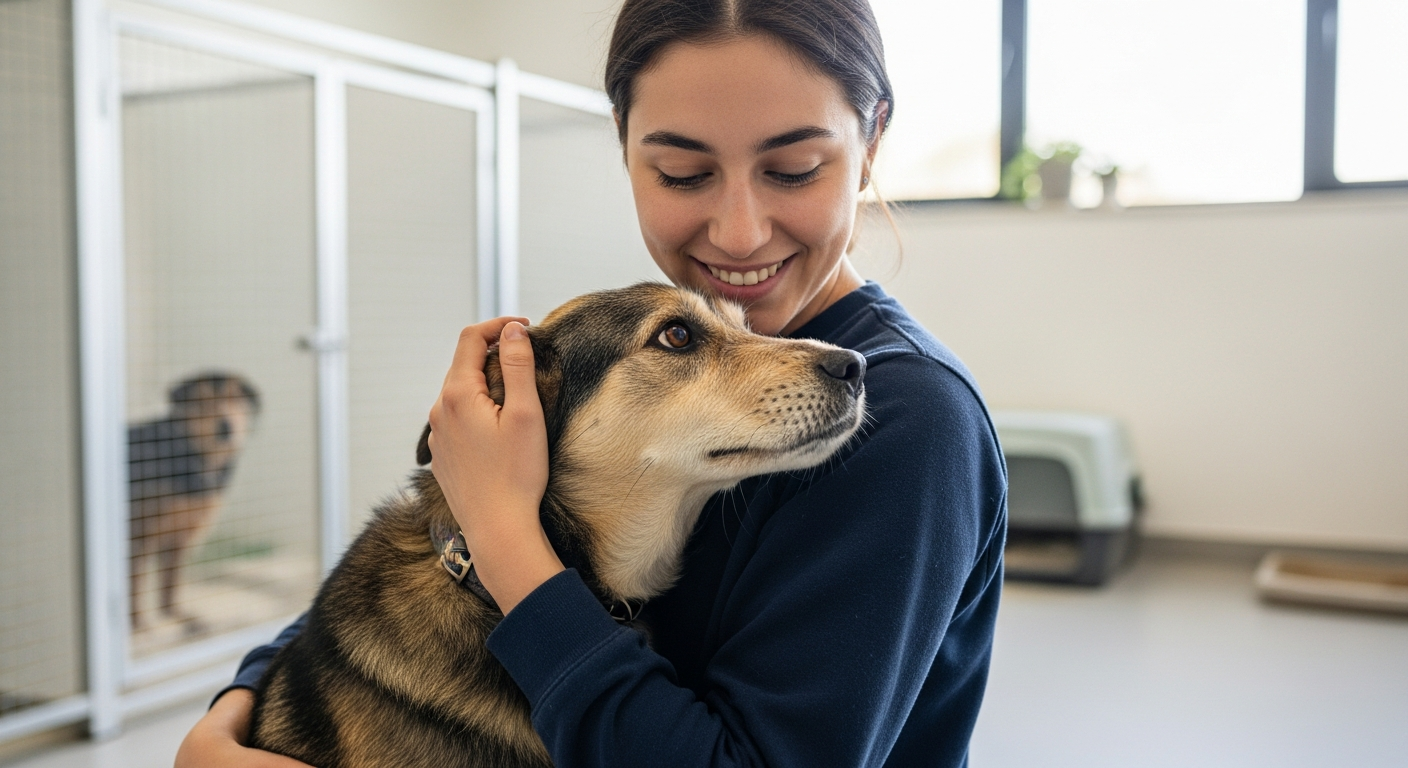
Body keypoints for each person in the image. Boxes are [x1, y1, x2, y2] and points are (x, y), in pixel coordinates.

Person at [175, 1, 1007, 766]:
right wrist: (240, 704)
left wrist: (503, 535)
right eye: (682, 173)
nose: (740, 232)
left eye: (793, 169)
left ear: (871, 143)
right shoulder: (631, 368)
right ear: (623, 144)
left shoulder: (909, 420)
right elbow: (417, 548)